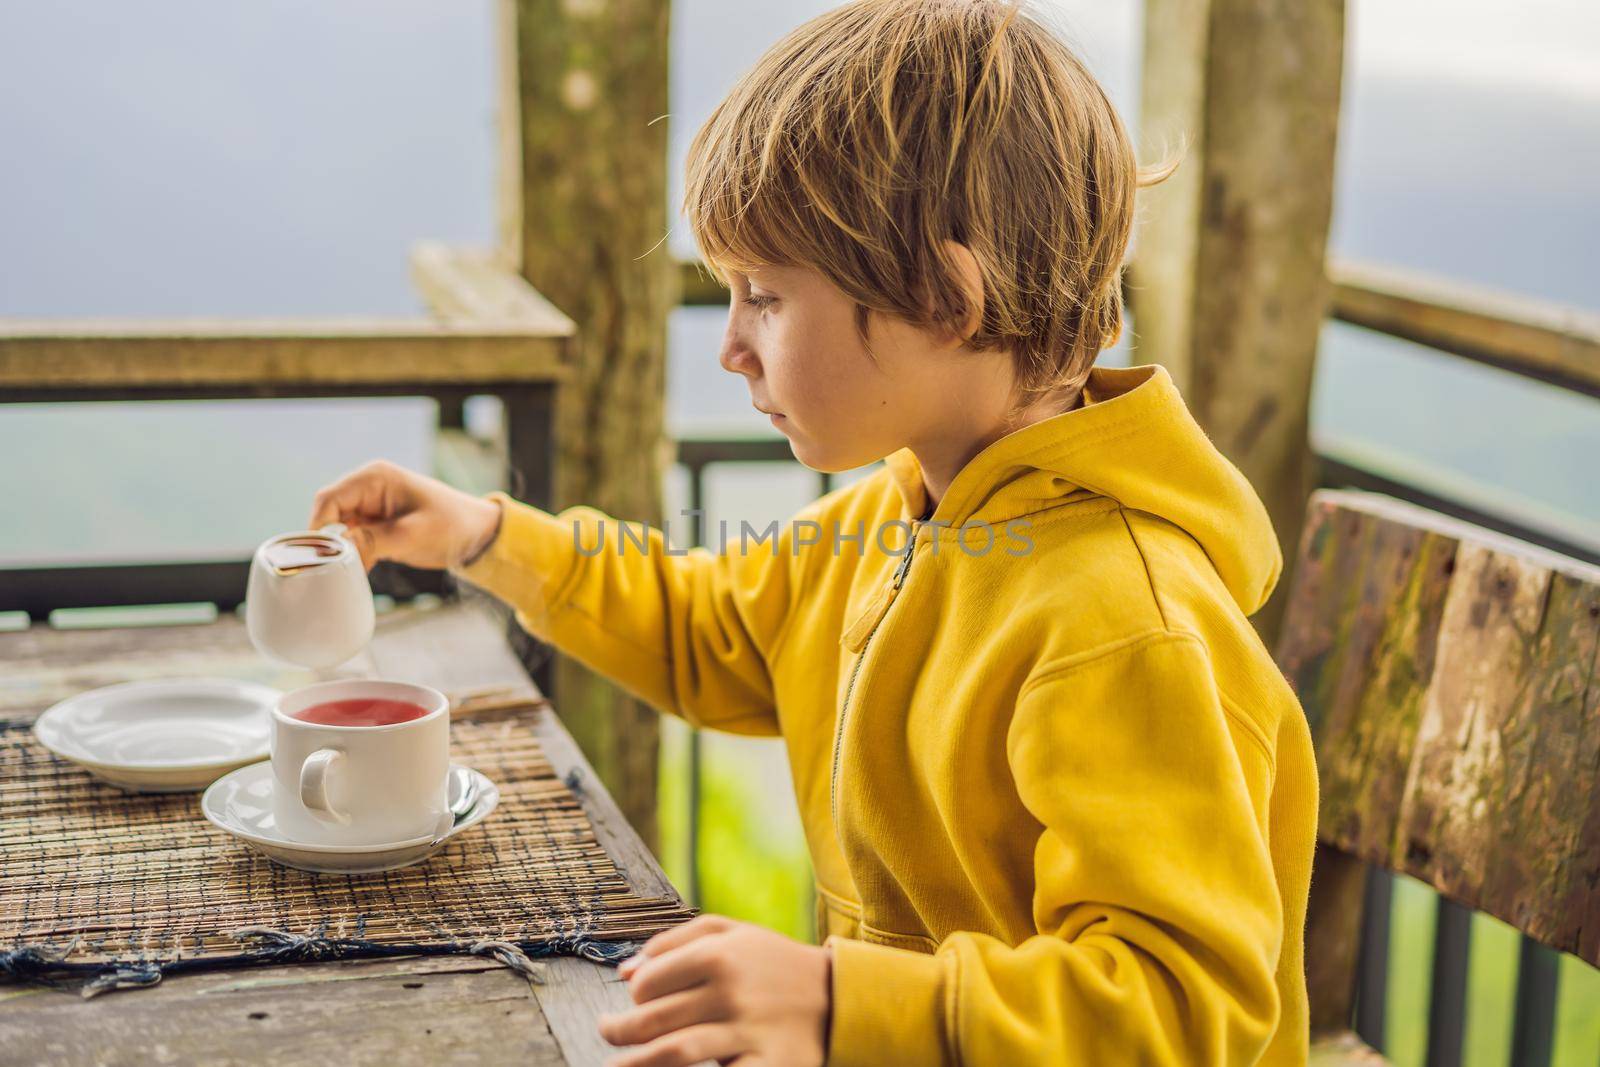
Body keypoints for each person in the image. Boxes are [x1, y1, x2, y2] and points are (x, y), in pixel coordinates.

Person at [309, 1, 1317, 1063]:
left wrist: (845, 1004)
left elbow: (1185, 1009)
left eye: (764, 296)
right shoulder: (898, 515)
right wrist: (481, 534)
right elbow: (711, 626)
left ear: (942, 296)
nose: (732, 346)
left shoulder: (1123, 622)